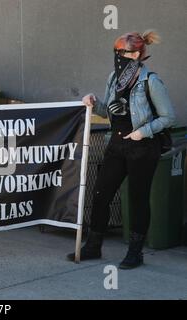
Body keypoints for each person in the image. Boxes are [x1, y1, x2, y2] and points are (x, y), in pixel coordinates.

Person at [67, 30, 176, 269]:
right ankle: (93, 246)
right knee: (100, 194)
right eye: (116, 52)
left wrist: (143, 132)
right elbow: (109, 112)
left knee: (138, 198)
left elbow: (169, 117)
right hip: (116, 144)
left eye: (122, 53)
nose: (117, 56)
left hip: (143, 147)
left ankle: (135, 252)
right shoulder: (113, 78)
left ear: (136, 54)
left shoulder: (151, 81)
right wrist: (94, 103)